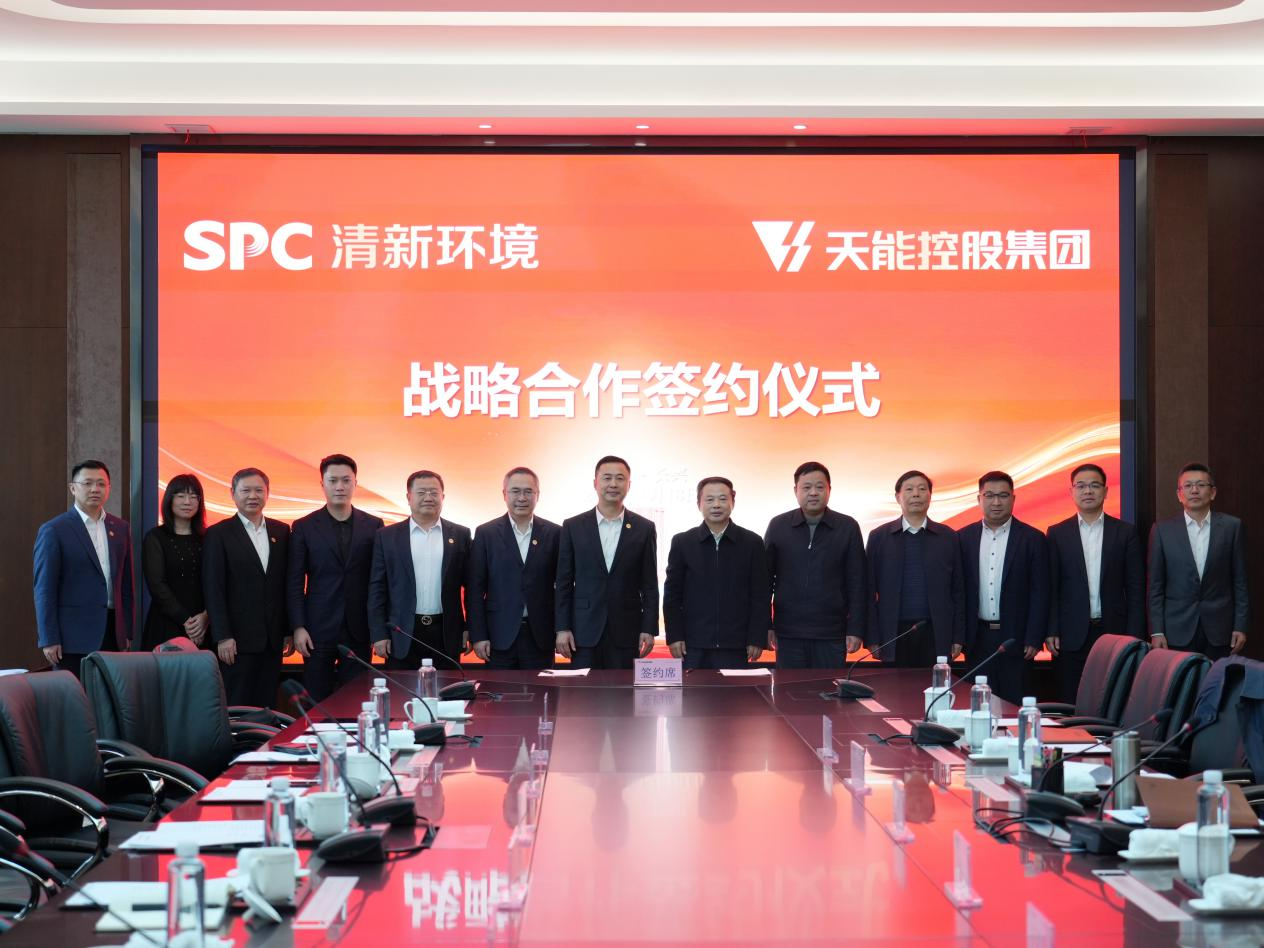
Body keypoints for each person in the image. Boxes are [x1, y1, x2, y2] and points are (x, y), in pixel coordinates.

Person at [287, 454, 385, 701]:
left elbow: (379, 581)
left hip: (359, 628)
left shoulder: (373, 525)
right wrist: (298, 626)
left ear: (355, 483)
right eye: (333, 481)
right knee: (317, 698)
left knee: (357, 699)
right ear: (323, 484)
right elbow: (295, 581)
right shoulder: (304, 526)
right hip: (316, 628)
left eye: (346, 480)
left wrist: (378, 628)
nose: (340, 486)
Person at [1046, 463, 1145, 702]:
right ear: (1071, 492)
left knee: (1113, 700)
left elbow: (1135, 588)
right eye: (1081, 486)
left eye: (1094, 485)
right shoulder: (1057, 533)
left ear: (1106, 491)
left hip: (1114, 631)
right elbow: (1051, 587)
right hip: (1070, 635)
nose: (1088, 491)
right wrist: (1051, 630)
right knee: (1070, 700)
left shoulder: (1125, 532)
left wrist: (1134, 635)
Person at [33, 460, 134, 678]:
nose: (95, 489)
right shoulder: (55, 530)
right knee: (75, 695)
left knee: (111, 694)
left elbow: (126, 585)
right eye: (87, 483)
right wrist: (49, 638)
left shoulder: (120, 528)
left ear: (109, 488)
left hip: (113, 633)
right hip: (72, 638)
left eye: (101, 484)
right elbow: (44, 590)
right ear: (73, 488)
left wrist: (127, 631)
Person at [555, 455, 658, 670]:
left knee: (623, 689)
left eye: (620, 478)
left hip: (627, 629)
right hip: (583, 630)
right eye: (607, 478)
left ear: (629, 485)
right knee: (583, 689)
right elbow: (563, 583)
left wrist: (649, 627)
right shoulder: (573, 526)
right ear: (595, 483)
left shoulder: (644, 528)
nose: (613, 484)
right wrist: (562, 627)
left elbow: (649, 584)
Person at [958, 471, 1049, 704]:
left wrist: (1034, 637)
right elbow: (958, 593)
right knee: (978, 704)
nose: (996, 502)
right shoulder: (962, 538)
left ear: (1013, 498)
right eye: (989, 495)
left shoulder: (1033, 538)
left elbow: (1041, 592)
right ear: (979, 499)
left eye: (1003, 495)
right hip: (976, 638)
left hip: (1017, 638)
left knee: (1014, 704)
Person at [764, 461, 866, 669]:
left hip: (832, 632)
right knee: (789, 688)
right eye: (806, 487)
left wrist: (855, 629)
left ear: (829, 490)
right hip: (788, 632)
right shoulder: (778, 525)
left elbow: (857, 582)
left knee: (829, 687)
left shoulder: (847, 527)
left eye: (820, 487)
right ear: (796, 490)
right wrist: (766, 625)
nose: (813, 493)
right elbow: (764, 581)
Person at [202, 468, 291, 707]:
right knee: (238, 706)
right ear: (233, 494)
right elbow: (214, 588)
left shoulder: (282, 531)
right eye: (246, 490)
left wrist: (287, 630)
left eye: (259, 490)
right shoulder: (218, 533)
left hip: (272, 640)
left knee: (268, 705)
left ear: (268, 493)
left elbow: (284, 584)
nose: (253, 496)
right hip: (236, 641)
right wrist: (223, 635)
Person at [368, 470, 472, 669]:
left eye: (434, 492)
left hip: (447, 633)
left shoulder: (460, 535)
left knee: (447, 687)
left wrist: (469, 627)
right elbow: (377, 588)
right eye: (421, 492)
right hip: (401, 633)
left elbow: (471, 587)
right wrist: (378, 633)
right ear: (409, 497)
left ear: (443, 497)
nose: (428, 498)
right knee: (401, 688)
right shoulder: (386, 536)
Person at [663, 476, 769, 670]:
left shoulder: (752, 542)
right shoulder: (683, 542)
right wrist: (675, 635)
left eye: (722, 498)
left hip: (736, 644)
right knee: (694, 690)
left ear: (733, 502)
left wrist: (756, 637)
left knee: (734, 691)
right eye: (710, 499)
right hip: (693, 644)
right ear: (699, 504)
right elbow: (672, 595)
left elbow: (760, 594)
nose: (716, 505)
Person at [1147, 463, 1250, 660]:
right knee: (1181, 680)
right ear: (1179, 494)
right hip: (1176, 630)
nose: (1194, 490)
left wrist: (1240, 626)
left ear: (1212, 493)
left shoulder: (1232, 527)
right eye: (1188, 486)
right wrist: (1156, 631)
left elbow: (1240, 582)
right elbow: (1155, 587)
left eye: (1201, 485)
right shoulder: (1162, 531)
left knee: (1216, 679)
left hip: (1221, 630)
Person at [864, 470, 965, 667]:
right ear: (898, 497)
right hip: (892, 633)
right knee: (894, 686)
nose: (916, 494)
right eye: (909, 489)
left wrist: (958, 636)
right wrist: (872, 637)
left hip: (936, 632)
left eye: (922, 489)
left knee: (935, 685)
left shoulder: (948, 537)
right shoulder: (879, 537)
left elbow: (959, 591)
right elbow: (868, 592)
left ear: (930, 495)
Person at [467, 467, 560, 670]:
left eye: (528, 491)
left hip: (541, 635)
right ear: (504, 494)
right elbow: (475, 589)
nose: (522, 498)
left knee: (541, 690)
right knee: (499, 690)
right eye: (515, 491)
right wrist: (478, 635)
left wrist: (562, 629)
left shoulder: (555, 533)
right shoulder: (486, 533)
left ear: (538, 495)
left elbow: (563, 587)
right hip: (498, 636)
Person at [141, 473, 209, 650]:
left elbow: (217, 582)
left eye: (193, 496)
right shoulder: (155, 537)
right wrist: (186, 621)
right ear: (169, 499)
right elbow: (157, 585)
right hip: (167, 623)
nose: (187, 502)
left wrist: (206, 617)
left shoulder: (209, 537)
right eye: (181, 496)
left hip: (205, 626)